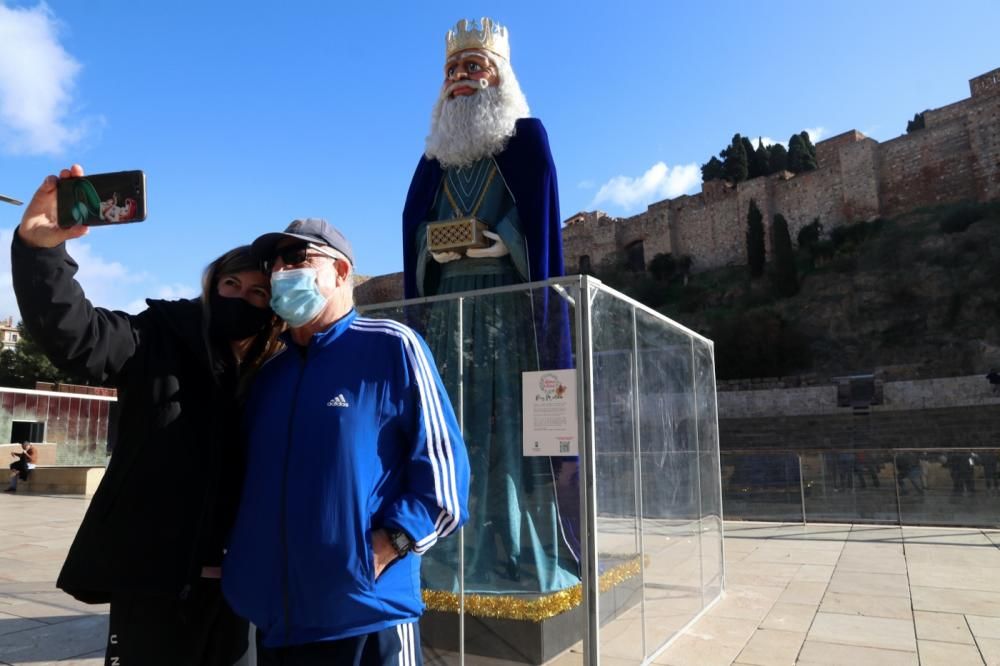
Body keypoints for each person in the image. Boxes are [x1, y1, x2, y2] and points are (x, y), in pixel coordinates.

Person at [12, 164, 283, 666]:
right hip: (156, 584)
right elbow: (78, 338)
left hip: (246, 590)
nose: (242, 298)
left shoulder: (282, 370)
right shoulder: (158, 336)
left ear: (274, 308)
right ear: (211, 286)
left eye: (258, 293)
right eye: (231, 283)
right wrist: (42, 251)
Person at [222, 218, 470, 665]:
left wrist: (389, 543)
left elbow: (444, 477)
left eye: (297, 259)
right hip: (278, 623)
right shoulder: (269, 374)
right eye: (273, 262)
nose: (280, 271)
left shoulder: (393, 347)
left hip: (367, 618)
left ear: (341, 272)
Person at [401, 17, 579, 595]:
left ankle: (522, 550)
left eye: (472, 66)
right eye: (452, 69)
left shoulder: (526, 142)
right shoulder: (435, 161)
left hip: (508, 309)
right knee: (453, 424)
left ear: (498, 75)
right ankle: (449, 548)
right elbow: (416, 228)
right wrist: (434, 247)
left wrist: (502, 240)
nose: (459, 77)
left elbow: (539, 224)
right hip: (450, 310)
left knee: (508, 426)